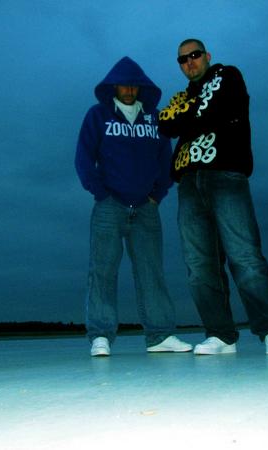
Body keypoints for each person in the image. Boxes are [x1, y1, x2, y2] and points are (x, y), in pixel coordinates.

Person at [158, 39, 268, 355]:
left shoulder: (227, 75)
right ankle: (220, 335)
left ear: (207, 56)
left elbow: (218, 109)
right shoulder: (180, 97)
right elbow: (166, 124)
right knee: (199, 264)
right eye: (182, 59)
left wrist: (190, 117)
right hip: (188, 184)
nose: (189, 62)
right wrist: (196, 113)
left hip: (226, 174)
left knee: (244, 254)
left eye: (194, 55)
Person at [75, 56, 192, 357]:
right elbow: (84, 158)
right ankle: (101, 336)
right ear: (114, 87)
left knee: (151, 271)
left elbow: (165, 160)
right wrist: (100, 193)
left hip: (146, 208)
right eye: (123, 85)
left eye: (134, 86)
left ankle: (160, 335)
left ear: (141, 88)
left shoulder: (155, 119)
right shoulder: (98, 116)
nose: (128, 90)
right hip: (109, 207)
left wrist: (157, 194)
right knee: (102, 270)